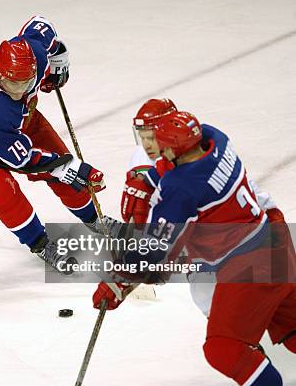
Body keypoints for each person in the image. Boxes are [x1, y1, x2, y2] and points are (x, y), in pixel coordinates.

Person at [93, 109, 296, 385]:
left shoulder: (182, 188)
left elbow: (155, 250)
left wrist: (118, 281)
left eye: (161, 147)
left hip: (250, 265)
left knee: (223, 348)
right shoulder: (216, 138)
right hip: (273, 238)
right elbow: (184, 166)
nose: (156, 151)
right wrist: (151, 179)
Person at [0, 16, 105, 270]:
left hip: (19, 119)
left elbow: (41, 24)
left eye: (26, 83)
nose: (19, 90)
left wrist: (59, 61)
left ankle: (96, 220)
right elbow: (26, 161)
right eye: (11, 84)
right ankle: (40, 243)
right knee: (2, 190)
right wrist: (72, 167)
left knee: (62, 161)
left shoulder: (34, 53)